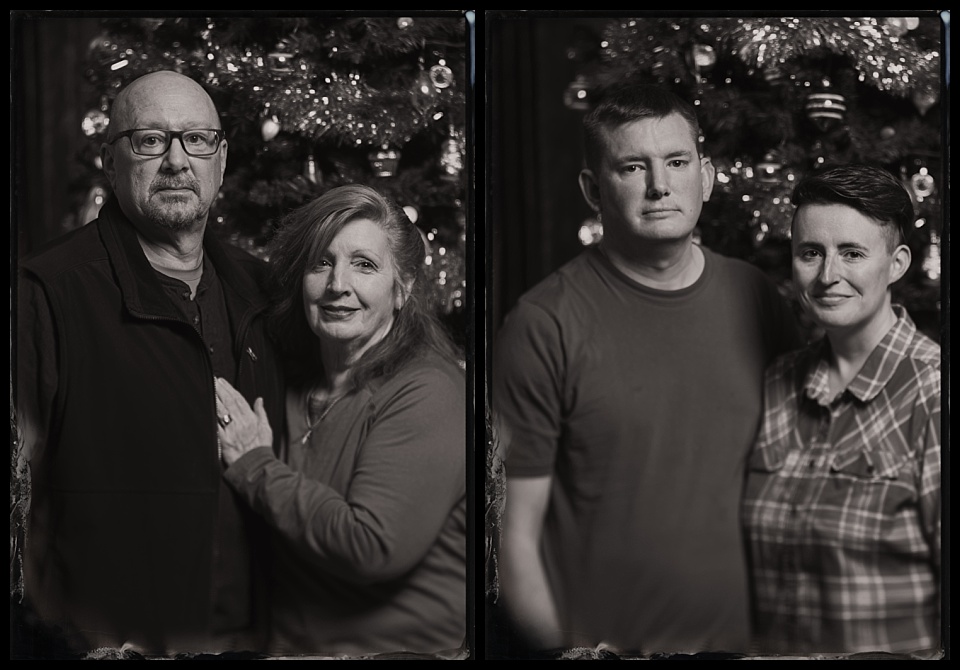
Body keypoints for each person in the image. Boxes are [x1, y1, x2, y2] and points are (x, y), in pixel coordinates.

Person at [491, 82, 802, 656]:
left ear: (705, 176)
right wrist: (563, 649)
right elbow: (515, 537)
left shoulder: (756, 296)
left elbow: (795, 483)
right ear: (592, 188)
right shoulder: (542, 324)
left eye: (677, 162)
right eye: (633, 167)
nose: (660, 186)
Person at [14, 70, 285, 655]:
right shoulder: (46, 291)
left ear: (222, 158)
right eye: (150, 140)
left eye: (197, 139)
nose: (177, 161)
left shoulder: (263, 292)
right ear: (111, 163)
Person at [212, 184, 467, 657]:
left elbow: (371, 547)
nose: (337, 285)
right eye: (321, 263)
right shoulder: (293, 382)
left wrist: (254, 464)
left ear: (403, 286)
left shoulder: (430, 391)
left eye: (364, 265)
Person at [741, 164, 941, 655]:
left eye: (852, 253)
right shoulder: (776, 383)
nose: (828, 275)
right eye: (811, 253)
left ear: (896, 264)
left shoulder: (934, 392)